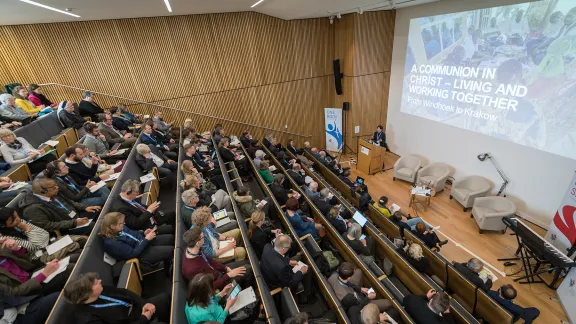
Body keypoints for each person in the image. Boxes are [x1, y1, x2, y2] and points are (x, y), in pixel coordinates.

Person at [63, 272, 170, 324]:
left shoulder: (101, 289)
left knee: (165, 299)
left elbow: (125, 292)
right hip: (134, 321)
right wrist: (144, 319)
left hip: (137, 309)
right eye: (95, 283)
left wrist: (143, 303)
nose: (100, 281)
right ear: (87, 294)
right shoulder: (88, 319)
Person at [100, 212, 174, 275]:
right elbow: (133, 254)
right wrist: (146, 239)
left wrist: (143, 233)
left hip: (144, 242)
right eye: (121, 223)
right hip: (141, 255)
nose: (124, 224)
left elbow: (134, 233)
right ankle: (170, 272)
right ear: (112, 227)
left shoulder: (120, 228)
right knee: (171, 251)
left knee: (170, 238)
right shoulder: (112, 243)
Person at [19, 178, 99, 235]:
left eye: (56, 185)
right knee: (92, 225)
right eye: (53, 187)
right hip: (65, 227)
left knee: (96, 211)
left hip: (74, 216)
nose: (57, 187)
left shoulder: (54, 193)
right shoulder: (33, 209)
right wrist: (73, 223)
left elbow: (70, 202)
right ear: (43, 191)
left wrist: (84, 207)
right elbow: (47, 225)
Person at [0, 237, 73, 296]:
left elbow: (29, 262)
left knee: (72, 258)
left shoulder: (3, 250)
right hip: (29, 288)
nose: (3, 238)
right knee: (70, 267)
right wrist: (44, 274)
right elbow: (13, 293)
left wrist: (17, 249)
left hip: (32, 274)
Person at [182, 228, 252, 289]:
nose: (204, 237)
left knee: (248, 263)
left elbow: (210, 261)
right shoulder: (192, 269)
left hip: (219, 273)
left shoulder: (192, 250)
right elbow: (209, 287)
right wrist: (228, 275)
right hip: (218, 282)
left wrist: (225, 268)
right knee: (249, 269)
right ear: (198, 243)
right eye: (203, 237)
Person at [260, 235, 315, 303]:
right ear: (283, 249)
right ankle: (305, 297)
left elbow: (277, 256)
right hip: (277, 283)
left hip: (270, 271)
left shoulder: (267, 247)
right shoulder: (282, 268)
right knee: (308, 270)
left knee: (297, 257)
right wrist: (301, 271)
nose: (289, 248)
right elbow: (291, 282)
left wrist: (288, 261)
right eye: (289, 247)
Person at [328, 262, 394, 312]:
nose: (354, 271)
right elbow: (358, 306)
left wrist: (360, 289)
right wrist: (368, 298)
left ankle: (360, 292)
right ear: (349, 277)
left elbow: (347, 283)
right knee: (387, 303)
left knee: (358, 272)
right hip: (354, 305)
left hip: (349, 292)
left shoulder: (334, 275)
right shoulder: (348, 298)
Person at [42, 160, 110, 206]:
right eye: (64, 167)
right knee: (106, 198)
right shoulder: (57, 184)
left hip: (82, 194)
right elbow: (75, 198)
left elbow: (77, 187)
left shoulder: (66, 175)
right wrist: (87, 188)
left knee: (103, 188)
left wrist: (88, 185)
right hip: (78, 201)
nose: (67, 167)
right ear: (57, 172)